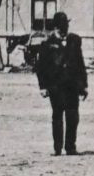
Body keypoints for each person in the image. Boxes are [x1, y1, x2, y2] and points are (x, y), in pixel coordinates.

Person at [34, 11, 88, 155]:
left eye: (66, 27)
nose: (64, 31)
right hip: (55, 87)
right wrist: (43, 86)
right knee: (57, 117)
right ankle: (57, 148)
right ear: (55, 28)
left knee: (73, 117)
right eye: (61, 28)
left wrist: (83, 86)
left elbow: (80, 64)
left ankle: (70, 147)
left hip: (72, 87)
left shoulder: (75, 41)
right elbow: (41, 68)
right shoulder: (47, 44)